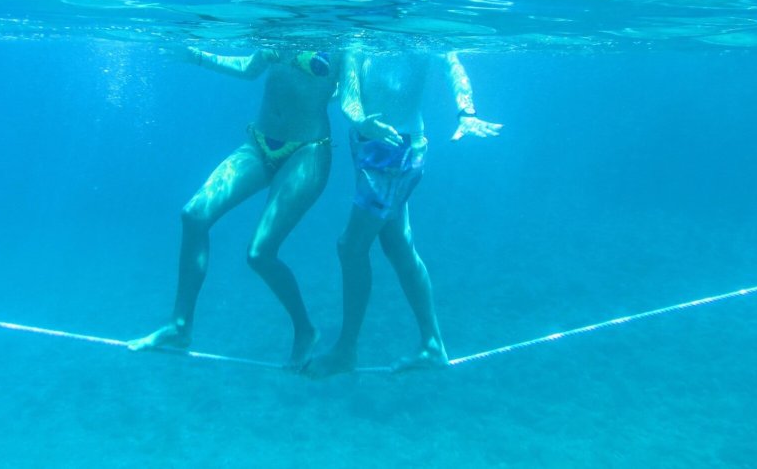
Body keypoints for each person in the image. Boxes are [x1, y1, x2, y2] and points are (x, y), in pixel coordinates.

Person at [129, 46, 338, 370]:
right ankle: (180, 326)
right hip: (258, 141)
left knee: (260, 253)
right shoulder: (276, 20)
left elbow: (351, 92)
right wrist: (195, 56)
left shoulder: (339, 32)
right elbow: (249, 68)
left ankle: (305, 330)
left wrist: (366, 121)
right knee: (194, 214)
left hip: (308, 150)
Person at [305, 48, 501, 377]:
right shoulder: (358, 33)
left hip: (397, 151)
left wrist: (466, 112)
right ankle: (432, 344)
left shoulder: (419, 32)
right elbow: (350, 96)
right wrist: (359, 121)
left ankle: (346, 350)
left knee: (350, 247)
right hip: (366, 146)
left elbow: (451, 62)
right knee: (397, 245)